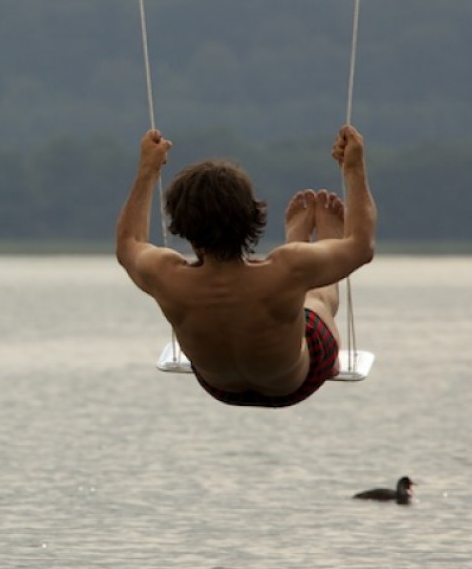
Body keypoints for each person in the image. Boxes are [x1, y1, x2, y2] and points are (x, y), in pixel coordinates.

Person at [115, 125, 376, 408]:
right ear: (251, 216)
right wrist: (353, 168)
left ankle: (304, 245)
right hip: (295, 383)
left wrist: (148, 170)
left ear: (180, 224)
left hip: (219, 387)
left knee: (296, 280)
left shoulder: (165, 275)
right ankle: (318, 244)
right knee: (316, 300)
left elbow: (129, 242)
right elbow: (361, 246)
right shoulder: (286, 269)